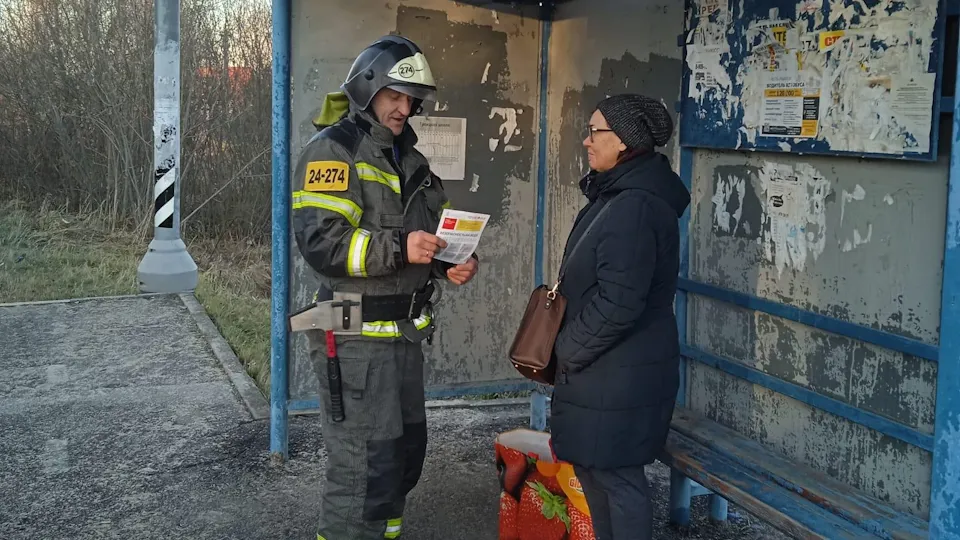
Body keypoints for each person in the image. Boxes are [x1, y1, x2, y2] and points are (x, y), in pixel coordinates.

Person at [291, 35, 480, 540]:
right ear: (368, 88)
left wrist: (450, 264)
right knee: (361, 474)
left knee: (400, 461)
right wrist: (399, 247)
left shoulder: (410, 158)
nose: (404, 107)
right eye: (395, 95)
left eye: (411, 98)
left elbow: (430, 236)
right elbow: (321, 242)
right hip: (351, 336)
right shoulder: (334, 151)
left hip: (402, 336)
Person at [549, 94, 691, 540]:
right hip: (606, 370)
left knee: (617, 481)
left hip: (618, 373)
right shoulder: (618, 194)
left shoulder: (635, 206)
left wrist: (566, 351)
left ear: (626, 141)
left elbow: (619, 303)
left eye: (597, 132)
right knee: (595, 474)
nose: (588, 142)